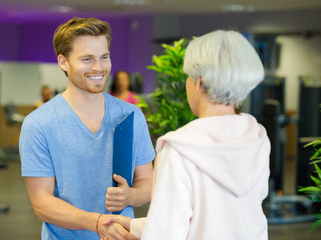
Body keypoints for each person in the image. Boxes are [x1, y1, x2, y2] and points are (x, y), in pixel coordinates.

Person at [104, 30, 270, 240]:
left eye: (187, 78)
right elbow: (220, 218)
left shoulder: (179, 148)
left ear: (198, 82)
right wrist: (134, 226)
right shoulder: (256, 137)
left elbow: (166, 234)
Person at [19, 17, 155, 240]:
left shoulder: (131, 115)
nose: (98, 67)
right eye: (87, 59)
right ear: (63, 62)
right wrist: (97, 222)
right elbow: (42, 203)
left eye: (104, 57)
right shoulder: (39, 124)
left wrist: (131, 195)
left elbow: (147, 183)